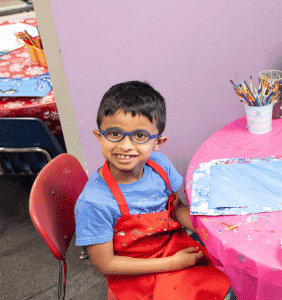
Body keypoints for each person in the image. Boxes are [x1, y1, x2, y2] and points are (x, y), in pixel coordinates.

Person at [74, 81, 232, 299]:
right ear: (99, 136)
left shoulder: (160, 165)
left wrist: (206, 227)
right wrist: (172, 263)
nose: (126, 145)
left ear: (158, 142)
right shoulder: (94, 203)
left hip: (171, 245)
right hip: (133, 269)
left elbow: (176, 209)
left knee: (231, 274)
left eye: (139, 136)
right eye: (114, 133)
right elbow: (106, 265)